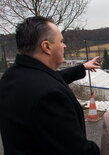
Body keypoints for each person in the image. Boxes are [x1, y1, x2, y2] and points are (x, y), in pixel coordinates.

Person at [0, 16, 100, 155]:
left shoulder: (11, 76)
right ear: (46, 46)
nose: (64, 46)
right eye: (61, 41)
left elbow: (52, 78)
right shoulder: (49, 96)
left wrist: (82, 68)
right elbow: (76, 151)